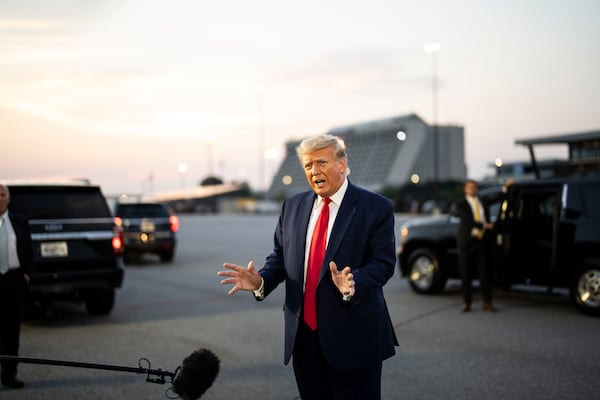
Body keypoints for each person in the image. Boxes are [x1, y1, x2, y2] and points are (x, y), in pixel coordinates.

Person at [217, 135, 398, 399]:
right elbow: (280, 258)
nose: (314, 171)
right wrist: (261, 282)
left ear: (342, 164)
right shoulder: (292, 206)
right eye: (308, 165)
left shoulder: (375, 207)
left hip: (354, 337)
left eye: (321, 162)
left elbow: (383, 264)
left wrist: (354, 282)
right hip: (303, 339)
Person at [453, 179, 514, 313]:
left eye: (474, 187)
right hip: (467, 241)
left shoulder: (482, 200)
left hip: (482, 242)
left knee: (485, 273)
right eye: (470, 187)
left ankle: (487, 302)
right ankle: (467, 302)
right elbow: (467, 220)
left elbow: (496, 198)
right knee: (466, 273)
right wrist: (485, 226)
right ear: (465, 189)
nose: (472, 189)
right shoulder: (461, 203)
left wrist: (506, 188)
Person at [0, 183, 32, 389]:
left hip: (13, 282)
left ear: (9, 198)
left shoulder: (19, 221)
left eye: (2, 194)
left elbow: (29, 251)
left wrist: (27, 275)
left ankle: (10, 374)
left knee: (11, 332)